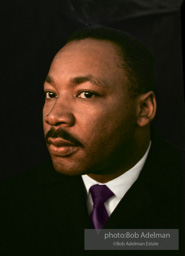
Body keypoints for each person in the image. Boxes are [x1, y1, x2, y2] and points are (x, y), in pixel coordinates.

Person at [0, 26, 183, 256]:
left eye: (86, 94)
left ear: (144, 109)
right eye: (51, 94)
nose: (54, 116)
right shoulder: (12, 203)